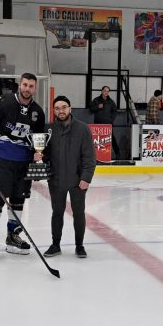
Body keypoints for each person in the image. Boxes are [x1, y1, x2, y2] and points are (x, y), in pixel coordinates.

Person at [0, 73, 46, 256]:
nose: (27, 89)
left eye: (31, 86)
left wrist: (39, 153)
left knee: (18, 201)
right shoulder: (3, 102)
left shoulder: (38, 112)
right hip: (2, 161)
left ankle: (13, 237)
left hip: (24, 164)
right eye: (25, 85)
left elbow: (39, 139)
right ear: (20, 85)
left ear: (35, 89)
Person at [42, 95, 96, 259]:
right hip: (56, 180)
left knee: (79, 213)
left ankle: (79, 246)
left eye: (64, 107)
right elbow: (46, 155)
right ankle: (55, 244)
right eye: (57, 108)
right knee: (56, 213)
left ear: (70, 108)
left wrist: (86, 178)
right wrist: (40, 156)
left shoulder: (82, 128)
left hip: (77, 180)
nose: (61, 111)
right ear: (54, 111)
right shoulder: (49, 129)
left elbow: (89, 157)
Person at [89, 85, 119, 158]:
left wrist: (111, 120)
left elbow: (115, 111)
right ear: (102, 91)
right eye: (105, 91)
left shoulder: (111, 102)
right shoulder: (96, 100)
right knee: (96, 139)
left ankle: (118, 153)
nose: (106, 92)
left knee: (111, 138)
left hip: (108, 124)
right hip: (98, 124)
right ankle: (94, 155)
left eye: (107, 91)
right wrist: (97, 107)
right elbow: (91, 109)